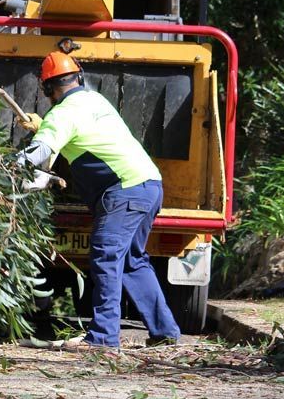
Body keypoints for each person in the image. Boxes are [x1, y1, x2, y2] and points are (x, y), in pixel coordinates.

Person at [18, 50, 180, 351]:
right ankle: (165, 331)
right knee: (132, 260)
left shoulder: (62, 113)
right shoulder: (94, 101)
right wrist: (45, 128)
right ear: (78, 77)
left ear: (47, 89)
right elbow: (83, 132)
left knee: (106, 256)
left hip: (125, 190)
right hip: (149, 184)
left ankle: (104, 336)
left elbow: (40, 154)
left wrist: (2, 167)